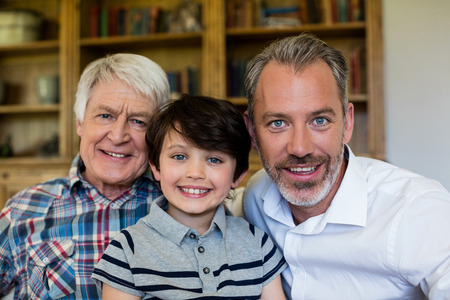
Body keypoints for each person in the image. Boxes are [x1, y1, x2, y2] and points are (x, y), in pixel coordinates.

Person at [242, 33, 450, 299]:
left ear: (347, 123)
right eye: (278, 123)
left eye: (319, 120)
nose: (300, 148)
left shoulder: (416, 210)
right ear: (252, 132)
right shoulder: (254, 197)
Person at [0, 53, 170, 299]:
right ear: (80, 122)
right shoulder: (22, 210)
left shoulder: (183, 207)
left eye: (138, 121)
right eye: (105, 116)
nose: (118, 135)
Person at [91, 94, 287, 300]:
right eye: (179, 157)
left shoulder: (258, 244)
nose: (195, 173)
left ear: (237, 175)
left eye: (214, 159)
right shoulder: (127, 250)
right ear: (156, 166)